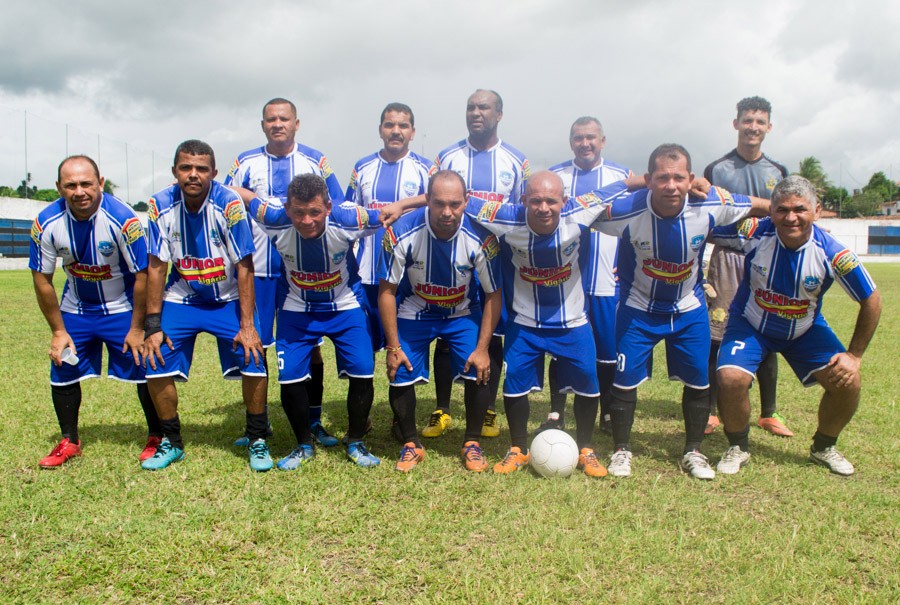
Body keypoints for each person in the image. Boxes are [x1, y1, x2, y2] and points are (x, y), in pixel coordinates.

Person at [584, 144, 768, 480]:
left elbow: (762, 207)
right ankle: (622, 450)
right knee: (624, 383)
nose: (671, 185)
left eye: (678, 178)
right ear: (650, 179)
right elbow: (584, 207)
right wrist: (631, 183)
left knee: (699, 382)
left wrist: (799, 212)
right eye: (662, 178)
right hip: (638, 310)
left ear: (692, 180)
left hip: (688, 310)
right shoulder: (627, 210)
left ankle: (693, 451)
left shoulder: (711, 204)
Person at [464, 170, 632, 477]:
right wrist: (404, 205)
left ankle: (585, 449)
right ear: (524, 200)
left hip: (572, 322)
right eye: (536, 200)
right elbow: (459, 200)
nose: (544, 208)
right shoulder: (504, 217)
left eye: (551, 201)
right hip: (525, 322)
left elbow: (621, 185)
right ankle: (518, 449)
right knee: (514, 385)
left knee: (588, 383)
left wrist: (654, 180)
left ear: (564, 201)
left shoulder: (581, 210)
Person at [712, 176, 880, 476]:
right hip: (751, 324)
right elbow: (706, 225)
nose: (790, 217)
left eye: (800, 209)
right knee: (730, 379)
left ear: (816, 210)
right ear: (771, 211)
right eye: (781, 210)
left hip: (804, 330)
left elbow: (872, 300)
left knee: (848, 382)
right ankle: (737, 446)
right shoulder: (754, 232)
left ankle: (823, 447)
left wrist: (854, 356)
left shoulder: (834, 253)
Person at [142, 140, 271, 471]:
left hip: (227, 296)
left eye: (201, 169)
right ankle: (172, 441)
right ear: (175, 172)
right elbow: (156, 266)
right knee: (155, 357)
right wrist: (153, 325)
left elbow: (245, 266)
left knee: (253, 355)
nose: (193, 175)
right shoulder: (158, 205)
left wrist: (247, 326)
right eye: (186, 168)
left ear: (214, 173)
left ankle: (257, 437)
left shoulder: (229, 204)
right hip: (182, 296)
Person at [224, 97, 345, 448]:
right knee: (255, 345)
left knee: (311, 346)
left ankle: (314, 420)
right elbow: (227, 196)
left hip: (304, 271)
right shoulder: (245, 162)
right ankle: (256, 426)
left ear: (296, 123)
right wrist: (249, 196)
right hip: (258, 269)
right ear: (263, 125)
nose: (278, 124)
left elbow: (333, 205)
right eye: (271, 119)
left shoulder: (315, 160)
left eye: (284, 118)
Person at [240, 174, 383, 469]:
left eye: (315, 212)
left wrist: (423, 200)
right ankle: (303, 445)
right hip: (297, 308)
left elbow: (390, 213)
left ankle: (356, 442)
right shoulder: (273, 216)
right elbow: (243, 194)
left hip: (345, 306)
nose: (306, 221)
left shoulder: (348, 218)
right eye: (298, 213)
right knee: (290, 376)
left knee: (362, 372)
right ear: (287, 209)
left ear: (328, 207)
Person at [30, 156, 162, 467]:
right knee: (62, 367)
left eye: (86, 183)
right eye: (70, 185)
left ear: (100, 183)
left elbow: (143, 274)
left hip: (123, 308)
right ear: (59, 188)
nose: (79, 191)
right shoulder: (45, 223)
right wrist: (58, 331)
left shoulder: (123, 219)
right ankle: (68, 441)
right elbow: (42, 278)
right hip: (76, 308)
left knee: (147, 367)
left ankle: (158, 435)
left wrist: (137, 328)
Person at [378, 170, 502, 472]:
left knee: (479, 367)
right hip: (414, 307)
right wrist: (393, 346)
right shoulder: (400, 232)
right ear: (427, 201)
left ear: (466, 202)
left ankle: (472, 441)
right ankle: (410, 442)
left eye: (455, 204)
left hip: (461, 311)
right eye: (439, 204)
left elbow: (492, 295)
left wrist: (483, 347)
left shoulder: (482, 238)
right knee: (400, 366)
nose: (447, 212)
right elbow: (387, 290)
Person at [430, 89, 531, 439]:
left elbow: (523, 213)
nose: (476, 112)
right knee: (446, 328)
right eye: (471, 107)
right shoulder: (447, 156)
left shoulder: (517, 162)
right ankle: (442, 408)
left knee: (494, 335)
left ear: (499, 114)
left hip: (498, 260)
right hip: (451, 257)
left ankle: (487, 410)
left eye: (484, 107)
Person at [704, 96, 792, 437]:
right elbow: (709, 215)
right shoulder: (718, 168)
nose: (753, 127)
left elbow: (785, 214)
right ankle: (711, 410)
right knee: (718, 331)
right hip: (728, 256)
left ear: (768, 127)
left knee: (767, 328)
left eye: (760, 121)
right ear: (736, 124)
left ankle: (769, 412)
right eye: (747, 120)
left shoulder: (777, 171)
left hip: (767, 257)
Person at [345, 103, 431, 442]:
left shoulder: (425, 168)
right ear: (381, 129)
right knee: (364, 353)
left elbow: (438, 198)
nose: (396, 131)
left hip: (406, 279)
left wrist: (402, 205)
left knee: (402, 351)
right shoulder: (362, 167)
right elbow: (349, 210)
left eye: (403, 125)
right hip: (367, 274)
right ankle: (360, 422)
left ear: (412, 131)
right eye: (390, 125)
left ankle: (401, 421)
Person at [544, 116, 632, 435]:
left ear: (602, 141)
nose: (585, 143)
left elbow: (634, 224)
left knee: (607, 352)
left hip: (608, 280)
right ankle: (556, 412)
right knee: (563, 347)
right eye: (579, 138)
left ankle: (607, 411)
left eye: (591, 137)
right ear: (571, 143)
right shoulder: (556, 176)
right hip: (566, 282)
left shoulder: (621, 177)